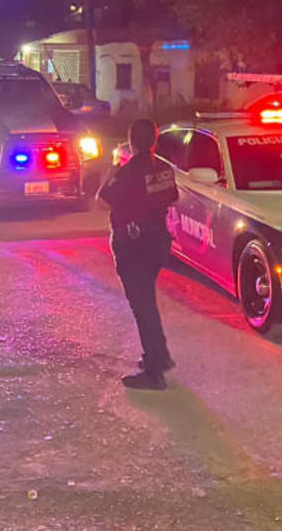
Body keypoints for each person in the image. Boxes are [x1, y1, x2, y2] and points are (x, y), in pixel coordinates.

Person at [98, 118, 179, 390]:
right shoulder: (164, 169)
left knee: (142, 306)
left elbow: (103, 199)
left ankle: (155, 372)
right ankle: (160, 356)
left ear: (131, 141)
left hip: (134, 245)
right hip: (157, 241)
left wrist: (112, 170)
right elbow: (172, 197)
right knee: (147, 301)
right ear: (155, 140)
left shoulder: (128, 172)